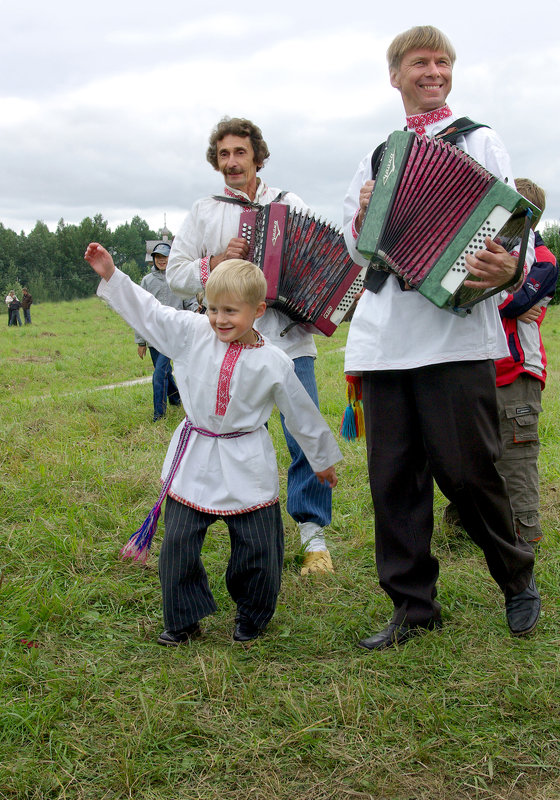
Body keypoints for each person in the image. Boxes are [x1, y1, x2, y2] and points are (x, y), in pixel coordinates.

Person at [343, 25, 540, 651]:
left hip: (455, 336)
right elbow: (355, 248)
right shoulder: (378, 153)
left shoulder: (481, 140)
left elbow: (517, 228)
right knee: (393, 480)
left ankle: (517, 579)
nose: (434, 71)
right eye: (421, 62)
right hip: (383, 339)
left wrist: (512, 265)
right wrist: (362, 215)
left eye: (444, 62)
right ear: (395, 75)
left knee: (469, 472)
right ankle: (412, 606)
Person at [84, 242, 342, 645]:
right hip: (195, 457)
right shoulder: (191, 333)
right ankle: (183, 620)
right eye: (212, 309)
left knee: (258, 549)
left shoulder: (274, 361)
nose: (219, 320)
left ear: (257, 311)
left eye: (230, 311)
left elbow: (301, 413)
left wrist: (321, 459)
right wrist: (112, 276)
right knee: (180, 543)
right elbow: (152, 313)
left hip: (246, 460)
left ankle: (252, 616)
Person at [167, 117, 335, 575]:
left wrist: (321, 301)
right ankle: (238, 519)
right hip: (232, 348)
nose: (231, 162)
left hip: (291, 339)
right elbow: (175, 273)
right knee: (234, 435)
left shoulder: (289, 203)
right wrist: (216, 263)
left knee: (303, 433)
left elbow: (320, 262)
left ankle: (313, 536)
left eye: (240, 153)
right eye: (223, 154)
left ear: (257, 157)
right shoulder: (205, 210)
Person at [494, 179, 558, 546]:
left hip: (519, 371)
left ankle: (525, 533)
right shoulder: (497, 251)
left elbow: (513, 303)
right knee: (479, 453)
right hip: (485, 367)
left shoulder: (543, 259)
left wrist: (503, 299)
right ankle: (466, 525)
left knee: (516, 457)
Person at [135, 242, 196, 422]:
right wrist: (140, 342)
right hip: (154, 335)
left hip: (174, 334)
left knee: (159, 374)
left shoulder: (178, 279)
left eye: (165, 257)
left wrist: (196, 316)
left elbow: (190, 303)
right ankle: (176, 399)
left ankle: (159, 416)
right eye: (158, 257)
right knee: (165, 372)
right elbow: (140, 312)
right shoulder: (147, 281)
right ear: (153, 259)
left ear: (171, 258)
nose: (162, 260)